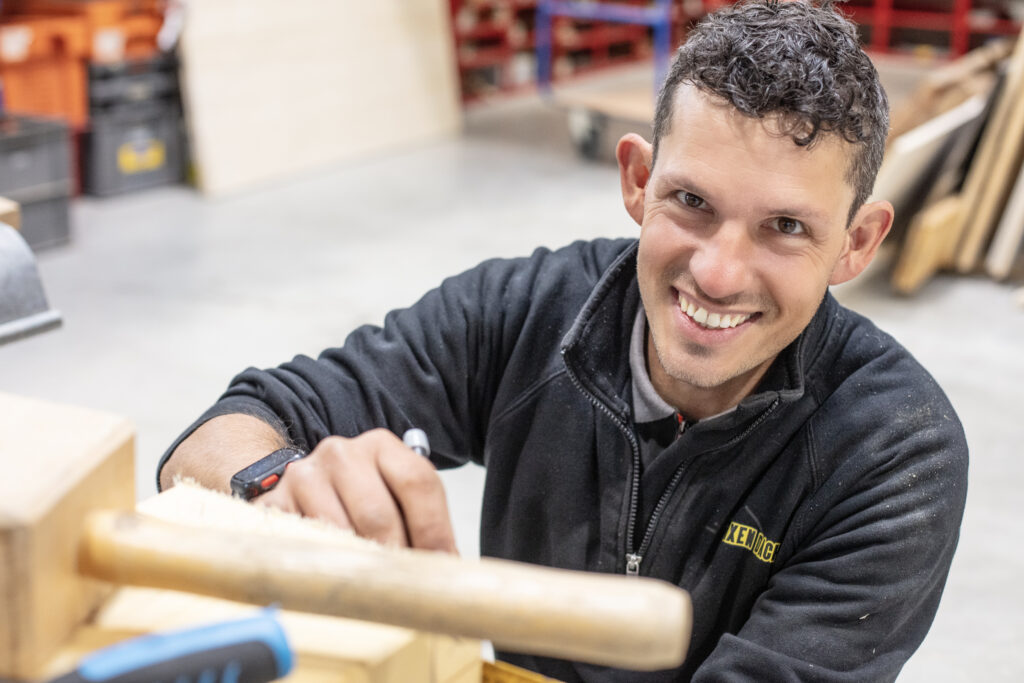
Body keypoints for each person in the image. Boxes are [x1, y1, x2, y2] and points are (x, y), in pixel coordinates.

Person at [158, 1, 968, 680]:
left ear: (857, 243)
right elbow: (213, 438)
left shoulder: (893, 452)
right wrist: (276, 490)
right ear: (638, 181)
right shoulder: (527, 311)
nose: (718, 274)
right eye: (691, 201)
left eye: (785, 227)